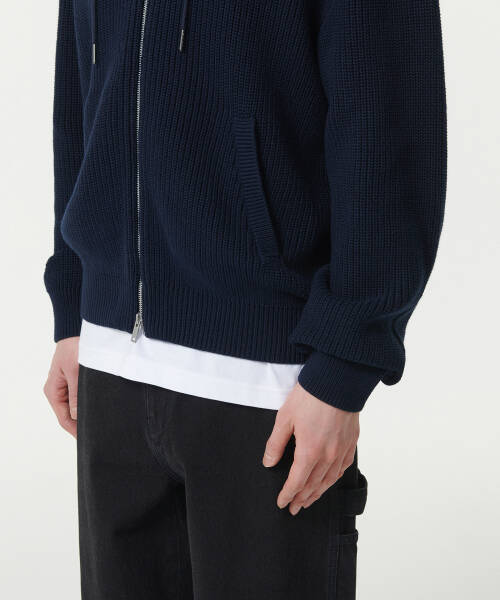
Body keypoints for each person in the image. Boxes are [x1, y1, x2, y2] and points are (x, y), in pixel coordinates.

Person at [43, 1, 446, 598]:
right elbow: (78, 91)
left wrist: (345, 361)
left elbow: (387, 124)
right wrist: (75, 304)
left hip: (270, 387)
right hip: (110, 369)